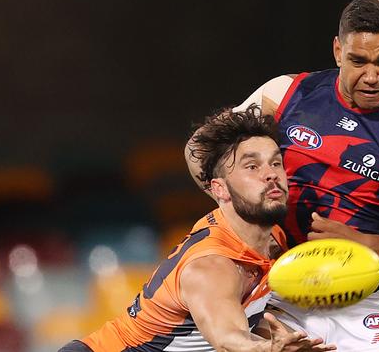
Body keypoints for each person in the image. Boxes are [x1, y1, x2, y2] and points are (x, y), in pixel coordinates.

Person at [186, 0, 379, 351]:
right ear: (337, 51)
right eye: (358, 61)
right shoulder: (285, 94)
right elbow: (201, 149)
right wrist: (244, 218)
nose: (371, 76)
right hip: (271, 288)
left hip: (360, 296)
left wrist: (363, 243)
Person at [60, 107, 334, 352]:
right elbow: (228, 339)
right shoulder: (211, 267)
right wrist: (265, 349)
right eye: (252, 166)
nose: (271, 173)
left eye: (275, 163)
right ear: (219, 189)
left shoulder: (273, 235)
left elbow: (254, 317)